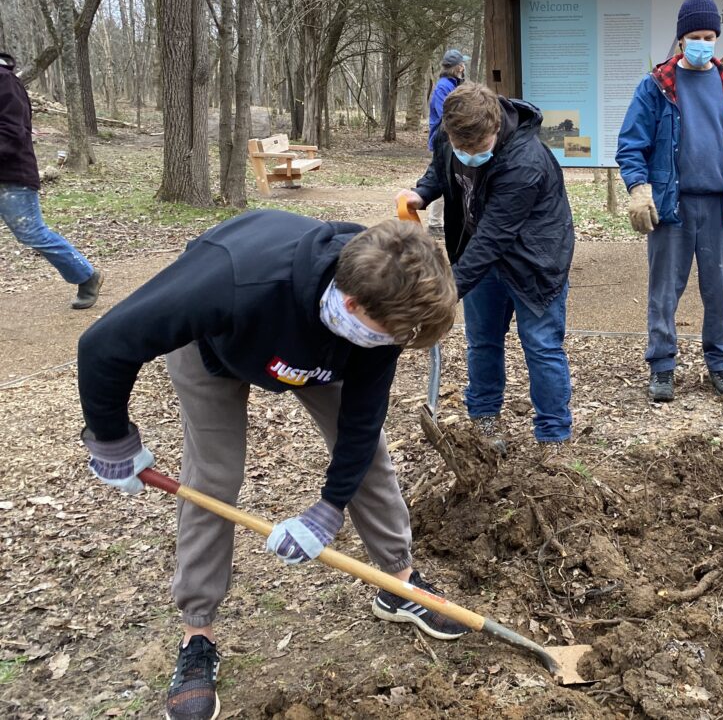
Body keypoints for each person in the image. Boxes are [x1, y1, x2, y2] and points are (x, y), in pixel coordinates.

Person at [77, 211, 466, 720]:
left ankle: (400, 581)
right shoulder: (231, 277)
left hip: (324, 354)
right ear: (350, 306)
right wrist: (111, 440)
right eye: (388, 336)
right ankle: (198, 633)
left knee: (368, 458)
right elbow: (105, 344)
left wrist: (328, 510)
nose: (394, 345)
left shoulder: (382, 316)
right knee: (214, 477)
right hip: (215, 348)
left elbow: (362, 422)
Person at [616, 0, 723, 403]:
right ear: (680, 39)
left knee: (720, 289)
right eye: (695, 36)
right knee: (664, 290)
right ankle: (662, 367)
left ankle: (720, 363)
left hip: (720, 206)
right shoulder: (656, 86)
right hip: (671, 207)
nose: (703, 43)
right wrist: (638, 188)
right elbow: (631, 144)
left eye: (709, 36)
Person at [397, 82, 574, 456]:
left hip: (534, 262)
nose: (467, 155)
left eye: (477, 149)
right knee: (482, 342)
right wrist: (422, 193)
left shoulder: (525, 161)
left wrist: (445, 293)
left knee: (541, 346)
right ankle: (484, 416)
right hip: (478, 257)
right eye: (461, 147)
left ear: (495, 128)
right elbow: (439, 169)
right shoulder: (453, 135)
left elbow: (494, 237)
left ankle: (554, 436)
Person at [0, 51, 102, 309]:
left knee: (31, 233)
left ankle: (87, 276)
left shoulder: (4, 81)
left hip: (12, 176)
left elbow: (13, 131)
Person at [426, 50, 467, 238]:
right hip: (444, 141)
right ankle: (434, 224)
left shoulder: (454, 84)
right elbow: (447, 115)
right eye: (462, 64)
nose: (464, 66)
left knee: (453, 181)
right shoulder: (444, 86)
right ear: (457, 67)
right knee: (442, 181)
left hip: (455, 139)